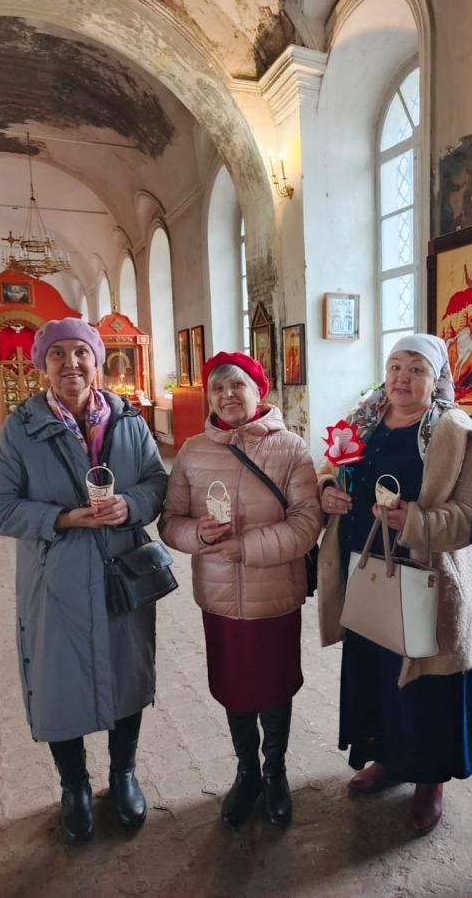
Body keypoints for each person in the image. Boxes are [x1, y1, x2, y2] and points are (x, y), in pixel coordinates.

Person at [0, 318, 168, 845]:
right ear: (42, 364)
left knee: (128, 672)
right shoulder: (21, 428)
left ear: (97, 360)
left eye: (81, 352)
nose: (71, 364)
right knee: (57, 682)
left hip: (123, 571)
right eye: (58, 354)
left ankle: (123, 774)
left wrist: (130, 505)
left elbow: (157, 481)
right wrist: (61, 518)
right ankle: (74, 787)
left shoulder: (128, 419)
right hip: (56, 577)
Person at [317, 334, 472, 831]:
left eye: (416, 369)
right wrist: (327, 490)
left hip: (427, 579)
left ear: (436, 379)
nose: (402, 377)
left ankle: (430, 778)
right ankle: (388, 759)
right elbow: (328, 469)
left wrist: (416, 521)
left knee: (425, 676)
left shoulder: (454, 430)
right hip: (366, 570)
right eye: (395, 366)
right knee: (377, 669)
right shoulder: (362, 419)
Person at [158, 351, 321, 828]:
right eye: (218, 388)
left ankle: (276, 773)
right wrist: (198, 535)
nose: (228, 395)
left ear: (258, 391)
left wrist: (244, 547)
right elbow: (169, 522)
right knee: (234, 686)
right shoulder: (192, 452)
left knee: (275, 684)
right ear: (209, 398)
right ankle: (247, 772)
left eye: (238, 385)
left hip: (275, 594)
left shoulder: (290, 448)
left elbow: (306, 524)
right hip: (220, 598)